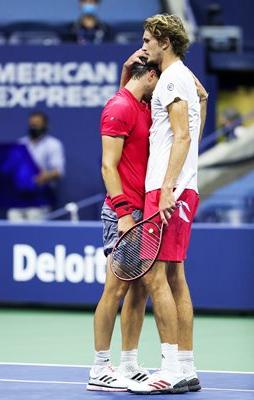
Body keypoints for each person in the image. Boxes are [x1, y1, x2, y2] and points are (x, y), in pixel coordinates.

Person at [127, 14, 207, 395]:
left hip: (166, 188)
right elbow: (202, 102)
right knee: (174, 277)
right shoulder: (184, 77)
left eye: (147, 40)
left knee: (154, 276)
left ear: (164, 41)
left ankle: (170, 368)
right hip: (179, 185)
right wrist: (184, 177)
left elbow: (182, 135)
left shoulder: (172, 79)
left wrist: (167, 188)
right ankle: (186, 366)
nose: (143, 46)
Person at [86, 56, 161, 391]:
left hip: (142, 213)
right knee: (115, 289)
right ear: (151, 76)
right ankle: (100, 367)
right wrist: (123, 213)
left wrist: (126, 73)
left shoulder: (139, 104)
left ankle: (129, 362)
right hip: (124, 212)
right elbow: (107, 167)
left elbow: (130, 94)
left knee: (140, 289)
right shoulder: (120, 107)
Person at [7, 111, 65, 221]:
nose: (34, 126)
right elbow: (11, 168)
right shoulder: (21, 144)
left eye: (37, 124)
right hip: (18, 197)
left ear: (45, 125)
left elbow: (58, 171)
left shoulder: (53, 144)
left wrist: (43, 177)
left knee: (35, 233)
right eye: (32, 124)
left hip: (40, 198)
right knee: (13, 229)